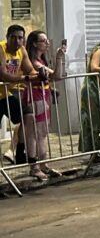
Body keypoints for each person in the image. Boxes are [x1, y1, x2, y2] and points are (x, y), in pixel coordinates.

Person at [22, 31, 66, 180]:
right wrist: (59, 57)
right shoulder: (33, 61)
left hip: (43, 96)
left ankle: (43, 163)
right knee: (35, 133)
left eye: (47, 40)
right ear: (35, 43)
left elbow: (57, 76)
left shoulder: (41, 60)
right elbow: (55, 76)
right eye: (43, 41)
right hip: (34, 97)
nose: (47, 43)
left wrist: (59, 58)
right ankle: (34, 166)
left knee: (43, 132)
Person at [1, 25, 40, 170]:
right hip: (2, 93)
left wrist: (40, 74)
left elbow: (30, 69)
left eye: (20, 38)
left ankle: (20, 152)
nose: (17, 41)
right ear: (7, 37)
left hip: (10, 93)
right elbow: (4, 75)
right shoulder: (1, 49)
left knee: (28, 115)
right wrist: (25, 78)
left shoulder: (22, 50)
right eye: (13, 37)